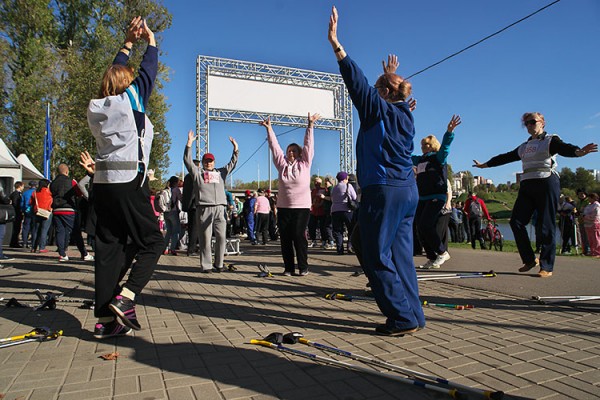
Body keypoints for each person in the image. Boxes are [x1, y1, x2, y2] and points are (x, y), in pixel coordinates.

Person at [328, 6, 425, 336]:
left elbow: (357, 84)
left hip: (382, 190)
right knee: (401, 257)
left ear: (383, 92)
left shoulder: (376, 110)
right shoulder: (406, 115)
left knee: (373, 253)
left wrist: (337, 45)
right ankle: (414, 314)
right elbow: (388, 92)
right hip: (408, 192)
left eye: (378, 87)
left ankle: (401, 317)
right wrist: (391, 77)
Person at [87, 16, 165, 339]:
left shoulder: (98, 107)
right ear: (126, 85)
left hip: (102, 187)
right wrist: (150, 41)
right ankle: (127, 296)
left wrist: (126, 44)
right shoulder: (131, 100)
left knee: (110, 249)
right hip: (127, 181)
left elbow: (114, 74)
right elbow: (148, 71)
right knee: (155, 240)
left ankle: (107, 320)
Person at [473, 112, 597, 277]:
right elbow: (505, 157)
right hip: (527, 184)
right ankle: (530, 259)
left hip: (546, 182)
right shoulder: (524, 147)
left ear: (542, 122)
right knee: (516, 222)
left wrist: (579, 152)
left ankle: (547, 266)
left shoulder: (550, 140)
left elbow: (564, 148)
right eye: (526, 124)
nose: (530, 125)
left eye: (533, 122)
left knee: (546, 224)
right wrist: (485, 166)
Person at [260, 113, 318, 276]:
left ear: (299, 152)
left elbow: (309, 146)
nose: (290, 153)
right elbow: (275, 147)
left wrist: (310, 126)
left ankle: (303, 267)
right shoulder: (282, 165)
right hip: (284, 207)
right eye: (288, 151)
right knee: (285, 237)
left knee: (299, 235)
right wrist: (269, 129)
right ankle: (289, 268)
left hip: (302, 207)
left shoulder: (305, 163)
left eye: (293, 151)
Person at [184, 130, 238, 273]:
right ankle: (206, 265)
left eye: (210, 161)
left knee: (221, 237)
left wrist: (236, 149)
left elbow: (232, 163)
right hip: (204, 207)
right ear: (202, 162)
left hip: (220, 208)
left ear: (214, 162)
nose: (208, 163)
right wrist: (189, 144)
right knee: (205, 238)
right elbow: (187, 161)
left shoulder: (221, 172)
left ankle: (219, 264)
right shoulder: (197, 174)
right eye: (206, 161)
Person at [411, 115, 461, 269]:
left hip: (436, 196)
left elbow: (446, 147)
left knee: (426, 224)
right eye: (422, 145)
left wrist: (449, 132)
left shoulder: (438, 158)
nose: (423, 147)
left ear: (432, 146)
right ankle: (432, 258)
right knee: (419, 227)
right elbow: (404, 156)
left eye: (425, 145)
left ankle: (442, 252)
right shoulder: (419, 160)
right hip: (423, 197)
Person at [49, 163, 92, 262]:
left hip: (56, 210)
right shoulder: (71, 182)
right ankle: (84, 254)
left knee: (60, 231)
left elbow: (51, 193)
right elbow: (78, 192)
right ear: (67, 171)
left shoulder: (52, 183)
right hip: (69, 209)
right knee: (76, 232)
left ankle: (62, 254)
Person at [330, 171, 357, 255]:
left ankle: (339, 249)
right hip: (347, 210)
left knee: (338, 230)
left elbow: (332, 198)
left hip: (335, 211)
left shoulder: (334, 188)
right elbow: (354, 197)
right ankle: (350, 246)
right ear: (345, 178)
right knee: (351, 229)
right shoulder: (348, 186)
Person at [182, 159, 200, 255]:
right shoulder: (194, 176)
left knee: (191, 228)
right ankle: (192, 249)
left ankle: (193, 247)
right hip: (195, 205)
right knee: (194, 228)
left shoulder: (187, 177)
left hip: (190, 206)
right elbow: (193, 193)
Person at [30, 179, 54, 253]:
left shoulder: (35, 192)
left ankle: (33, 247)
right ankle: (42, 247)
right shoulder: (49, 192)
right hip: (47, 212)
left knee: (35, 230)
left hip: (37, 212)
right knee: (44, 230)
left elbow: (31, 202)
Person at [163, 176, 182, 255]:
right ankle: (172, 249)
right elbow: (181, 199)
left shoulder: (165, 190)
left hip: (166, 212)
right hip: (173, 212)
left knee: (168, 231)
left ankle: (165, 248)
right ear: (176, 182)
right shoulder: (176, 190)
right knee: (175, 232)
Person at [308, 177, 327, 248]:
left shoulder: (323, 190)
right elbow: (311, 199)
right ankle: (313, 241)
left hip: (321, 212)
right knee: (311, 226)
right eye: (315, 182)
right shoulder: (313, 191)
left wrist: (320, 204)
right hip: (313, 212)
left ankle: (324, 241)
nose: (316, 184)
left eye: (318, 182)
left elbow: (323, 199)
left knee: (322, 227)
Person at [582, 193, 600, 257]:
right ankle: (592, 251)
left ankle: (597, 252)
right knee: (590, 239)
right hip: (587, 224)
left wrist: (586, 216)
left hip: (594, 224)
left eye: (589, 198)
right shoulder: (589, 205)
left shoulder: (597, 205)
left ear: (593, 198)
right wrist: (584, 216)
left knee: (596, 238)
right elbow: (584, 212)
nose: (588, 199)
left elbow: (595, 215)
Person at [20, 181, 37, 248]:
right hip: (35, 212)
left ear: (29, 186)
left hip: (27, 211)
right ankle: (33, 243)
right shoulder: (37, 192)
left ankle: (24, 242)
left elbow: (22, 204)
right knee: (34, 228)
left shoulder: (25, 193)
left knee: (26, 227)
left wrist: (23, 210)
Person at [575, 189, 591, 255]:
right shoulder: (579, 202)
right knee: (583, 236)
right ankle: (584, 250)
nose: (581, 195)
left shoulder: (587, 201)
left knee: (588, 236)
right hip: (580, 220)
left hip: (587, 220)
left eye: (583, 193)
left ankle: (589, 250)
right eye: (580, 194)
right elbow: (577, 210)